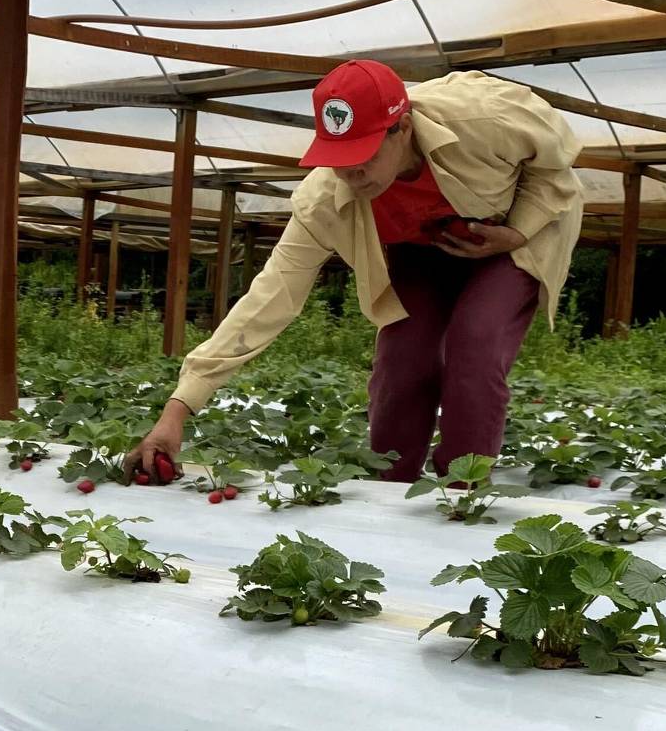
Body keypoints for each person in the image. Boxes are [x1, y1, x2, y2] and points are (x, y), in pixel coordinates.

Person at [126, 59, 583, 485]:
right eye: (339, 158)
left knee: (476, 342)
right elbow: (271, 297)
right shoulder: (325, 199)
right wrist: (178, 410)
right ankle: (389, 484)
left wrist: (518, 233)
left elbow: (554, 170)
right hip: (425, 246)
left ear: (401, 127)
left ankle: (463, 487)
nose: (353, 175)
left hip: (508, 233)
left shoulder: (483, 119)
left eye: (364, 155)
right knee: (402, 358)